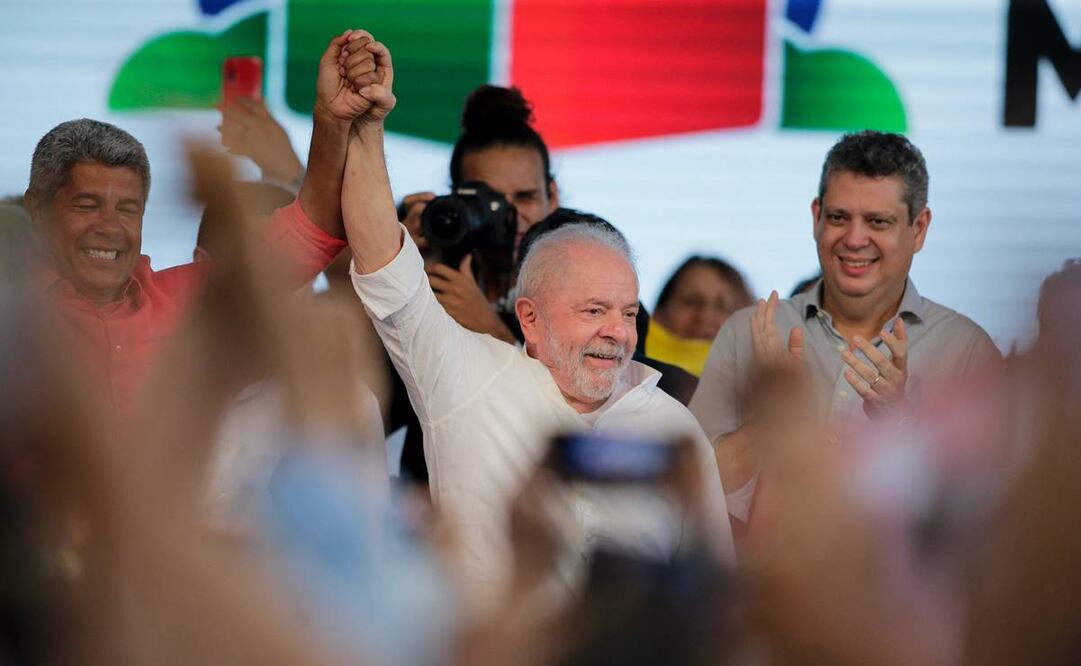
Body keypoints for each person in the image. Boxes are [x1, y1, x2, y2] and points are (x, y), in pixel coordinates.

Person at [336, 39, 733, 605]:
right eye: (593, 311)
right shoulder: (463, 375)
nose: (618, 331)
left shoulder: (674, 428)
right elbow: (381, 261)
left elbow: (712, 596)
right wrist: (368, 127)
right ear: (531, 316)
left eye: (625, 312)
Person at [23, 29, 382, 421]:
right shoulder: (15, 314)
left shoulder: (191, 300)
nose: (109, 226)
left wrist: (331, 120)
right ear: (38, 209)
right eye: (87, 204)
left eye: (127, 209)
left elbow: (312, 226)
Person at [688, 130, 1003, 524]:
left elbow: (990, 521)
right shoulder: (751, 331)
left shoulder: (966, 349)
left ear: (919, 229)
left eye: (878, 222)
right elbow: (694, 490)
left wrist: (899, 419)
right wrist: (772, 418)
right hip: (763, 581)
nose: (854, 239)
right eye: (839, 217)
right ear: (816, 217)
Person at [647, 256, 754, 376]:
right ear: (658, 314)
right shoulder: (629, 367)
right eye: (690, 302)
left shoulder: (765, 383)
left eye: (722, 307)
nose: (705, 316)